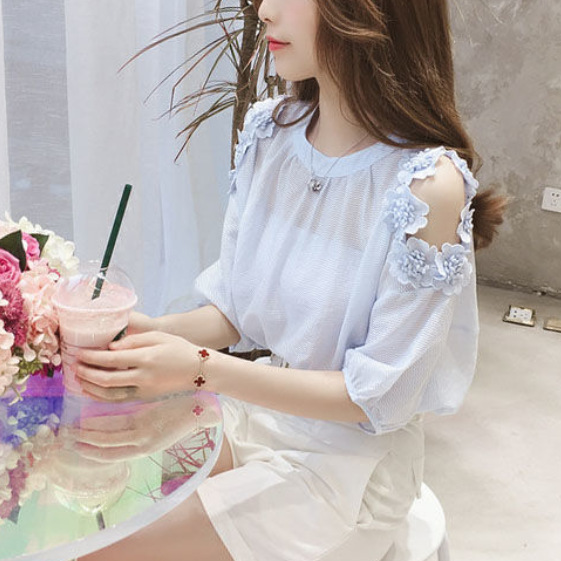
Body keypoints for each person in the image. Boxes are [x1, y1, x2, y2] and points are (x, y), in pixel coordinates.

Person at [77, 0, 506, 560]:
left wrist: (200, 370)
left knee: (105, 551)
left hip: (349, 471)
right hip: (260, 419)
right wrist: (149, 332)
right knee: (88, 491)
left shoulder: (426, 187)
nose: (264, 9)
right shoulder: (272, 133)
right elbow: (234, 310)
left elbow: (374, 397)